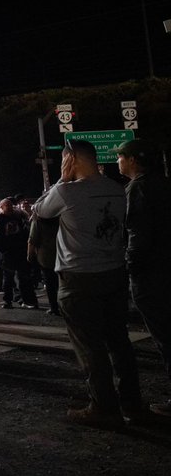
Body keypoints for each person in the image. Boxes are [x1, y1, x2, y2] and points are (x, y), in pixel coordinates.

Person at [34, 140, 141, 427]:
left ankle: (104, 407)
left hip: (79, 278)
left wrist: (61, 177)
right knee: (119, 341)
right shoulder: (117, 189)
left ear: (70, 160)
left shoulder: (66, 191)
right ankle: (133, 403)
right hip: (114, 272)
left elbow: (40, 210)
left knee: (90, 346)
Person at [116, 138, 171, 418]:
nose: (118, 161)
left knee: (164, 335)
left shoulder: (138, 187)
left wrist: (130, 265)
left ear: (133, 160)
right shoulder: (163, 182)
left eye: (120, 157)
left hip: (152, 273)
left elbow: (138, 234)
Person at [0, 198, 36, 309]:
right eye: (6, 205)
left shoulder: (18, 219)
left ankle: (26, 300)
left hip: (19, 253)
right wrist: (3, 250)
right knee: (9, 279)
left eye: (10, 205)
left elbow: (25, 234)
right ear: (0, 208)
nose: (9, 207)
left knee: (23, 278)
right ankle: (8, 301)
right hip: (8, 255)